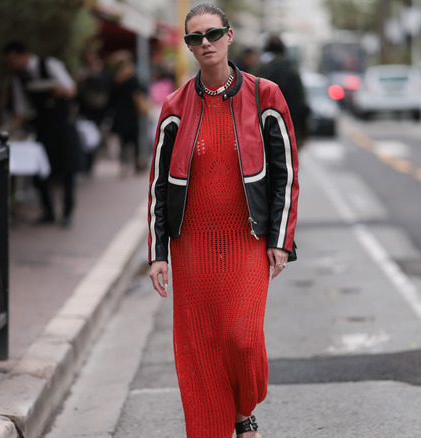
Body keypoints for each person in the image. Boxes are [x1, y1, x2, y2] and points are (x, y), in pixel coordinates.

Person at [147, 3, 299, 437]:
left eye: (212, 34)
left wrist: (281, 238)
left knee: (241, 338)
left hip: (246, 241)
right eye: (195, 38)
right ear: (188, 46)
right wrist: (159, 254)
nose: (205, 44)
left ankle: (243, 408)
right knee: (201, 350)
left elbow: (286, 172)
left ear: (229, 36)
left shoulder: (264, 95)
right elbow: (159, 185)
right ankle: (220, 425)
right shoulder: (175, 106)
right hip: (192, 245)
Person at [4, 40, 82, 228]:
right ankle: (48, 211)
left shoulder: (50, 64)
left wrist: (59, 90)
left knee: (68, 171)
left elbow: (72, 90)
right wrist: (5, 131)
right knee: (41, 171)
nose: (11, 64)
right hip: (43, 127)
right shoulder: (19, 79)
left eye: (13, 59)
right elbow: (20, 112)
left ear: (23, 55)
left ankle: (67, 214)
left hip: (64, 125)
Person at [257, 33, 310, 147]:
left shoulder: (260, 67)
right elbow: (301, 101)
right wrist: (304, 133)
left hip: (264, 128)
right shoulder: (292, 68)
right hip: (290, 126)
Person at [107, 50, 147, 175]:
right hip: (132, 112)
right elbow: (141, 91)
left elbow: (111, 99)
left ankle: (124, 165)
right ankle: (137, 163)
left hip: (119, 113)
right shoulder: (132, 77)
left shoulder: (114, 79)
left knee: (123, 141)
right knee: (135, 140)